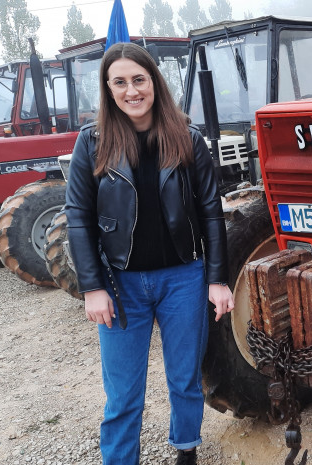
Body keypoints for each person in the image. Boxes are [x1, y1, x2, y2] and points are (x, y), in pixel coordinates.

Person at [64, 42, 234, 465]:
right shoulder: (92, 143)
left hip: (183, 279)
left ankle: (186, 450)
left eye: (139, 79)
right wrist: (92, 287)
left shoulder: (188, 138)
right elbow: (78, 218)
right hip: (120, 287)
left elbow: (211, 213)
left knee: (185, 380)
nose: (131, 90)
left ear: (154, 82)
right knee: (123, 394)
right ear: (108, 89)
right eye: (119, 82)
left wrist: (217, 279)